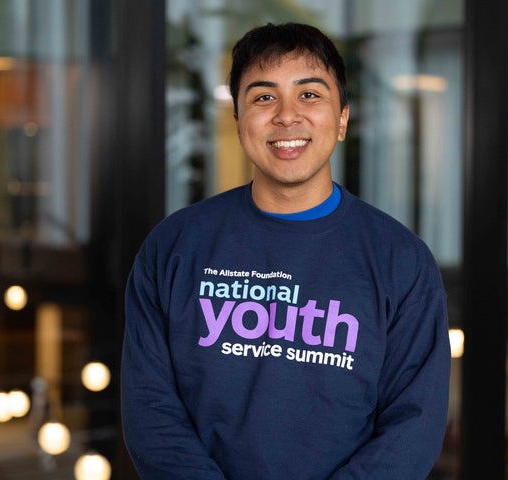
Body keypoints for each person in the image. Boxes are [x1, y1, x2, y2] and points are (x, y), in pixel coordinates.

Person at [121, 22, 450, 479]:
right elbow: (150, 410)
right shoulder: (174, 248)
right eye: (263, 97)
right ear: (237, 121)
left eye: (310, 95)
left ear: (342, 119)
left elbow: (414, 425)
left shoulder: (401, 261)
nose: (287, 116)